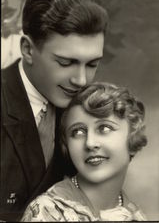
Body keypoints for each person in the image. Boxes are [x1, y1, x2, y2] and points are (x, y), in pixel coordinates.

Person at [1, 0, 108, 221]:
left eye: (92, 64)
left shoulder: (89, 111)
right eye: (65, 62)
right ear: (28, 50)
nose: (81, 80)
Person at [21, 82, 147, 221]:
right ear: (66, 144)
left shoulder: (136, 216)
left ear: (133, 136)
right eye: (78, 132)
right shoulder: (46, 211)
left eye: (104, 128)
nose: (90, 143)